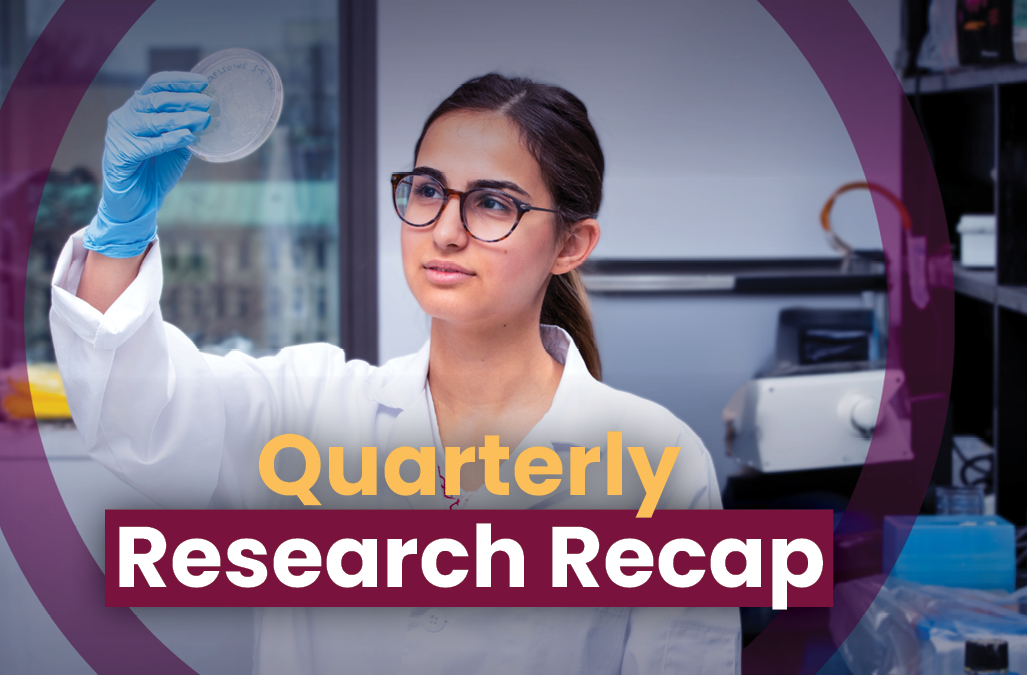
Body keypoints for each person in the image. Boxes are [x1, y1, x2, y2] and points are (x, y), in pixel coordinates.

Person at [49, 71, 741, 674]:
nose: (444, 229)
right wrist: (121, 234)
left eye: (494, 202)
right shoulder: (308, 408)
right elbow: (140, 415)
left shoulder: (661, 463)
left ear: (570, 242)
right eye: (427, 189)